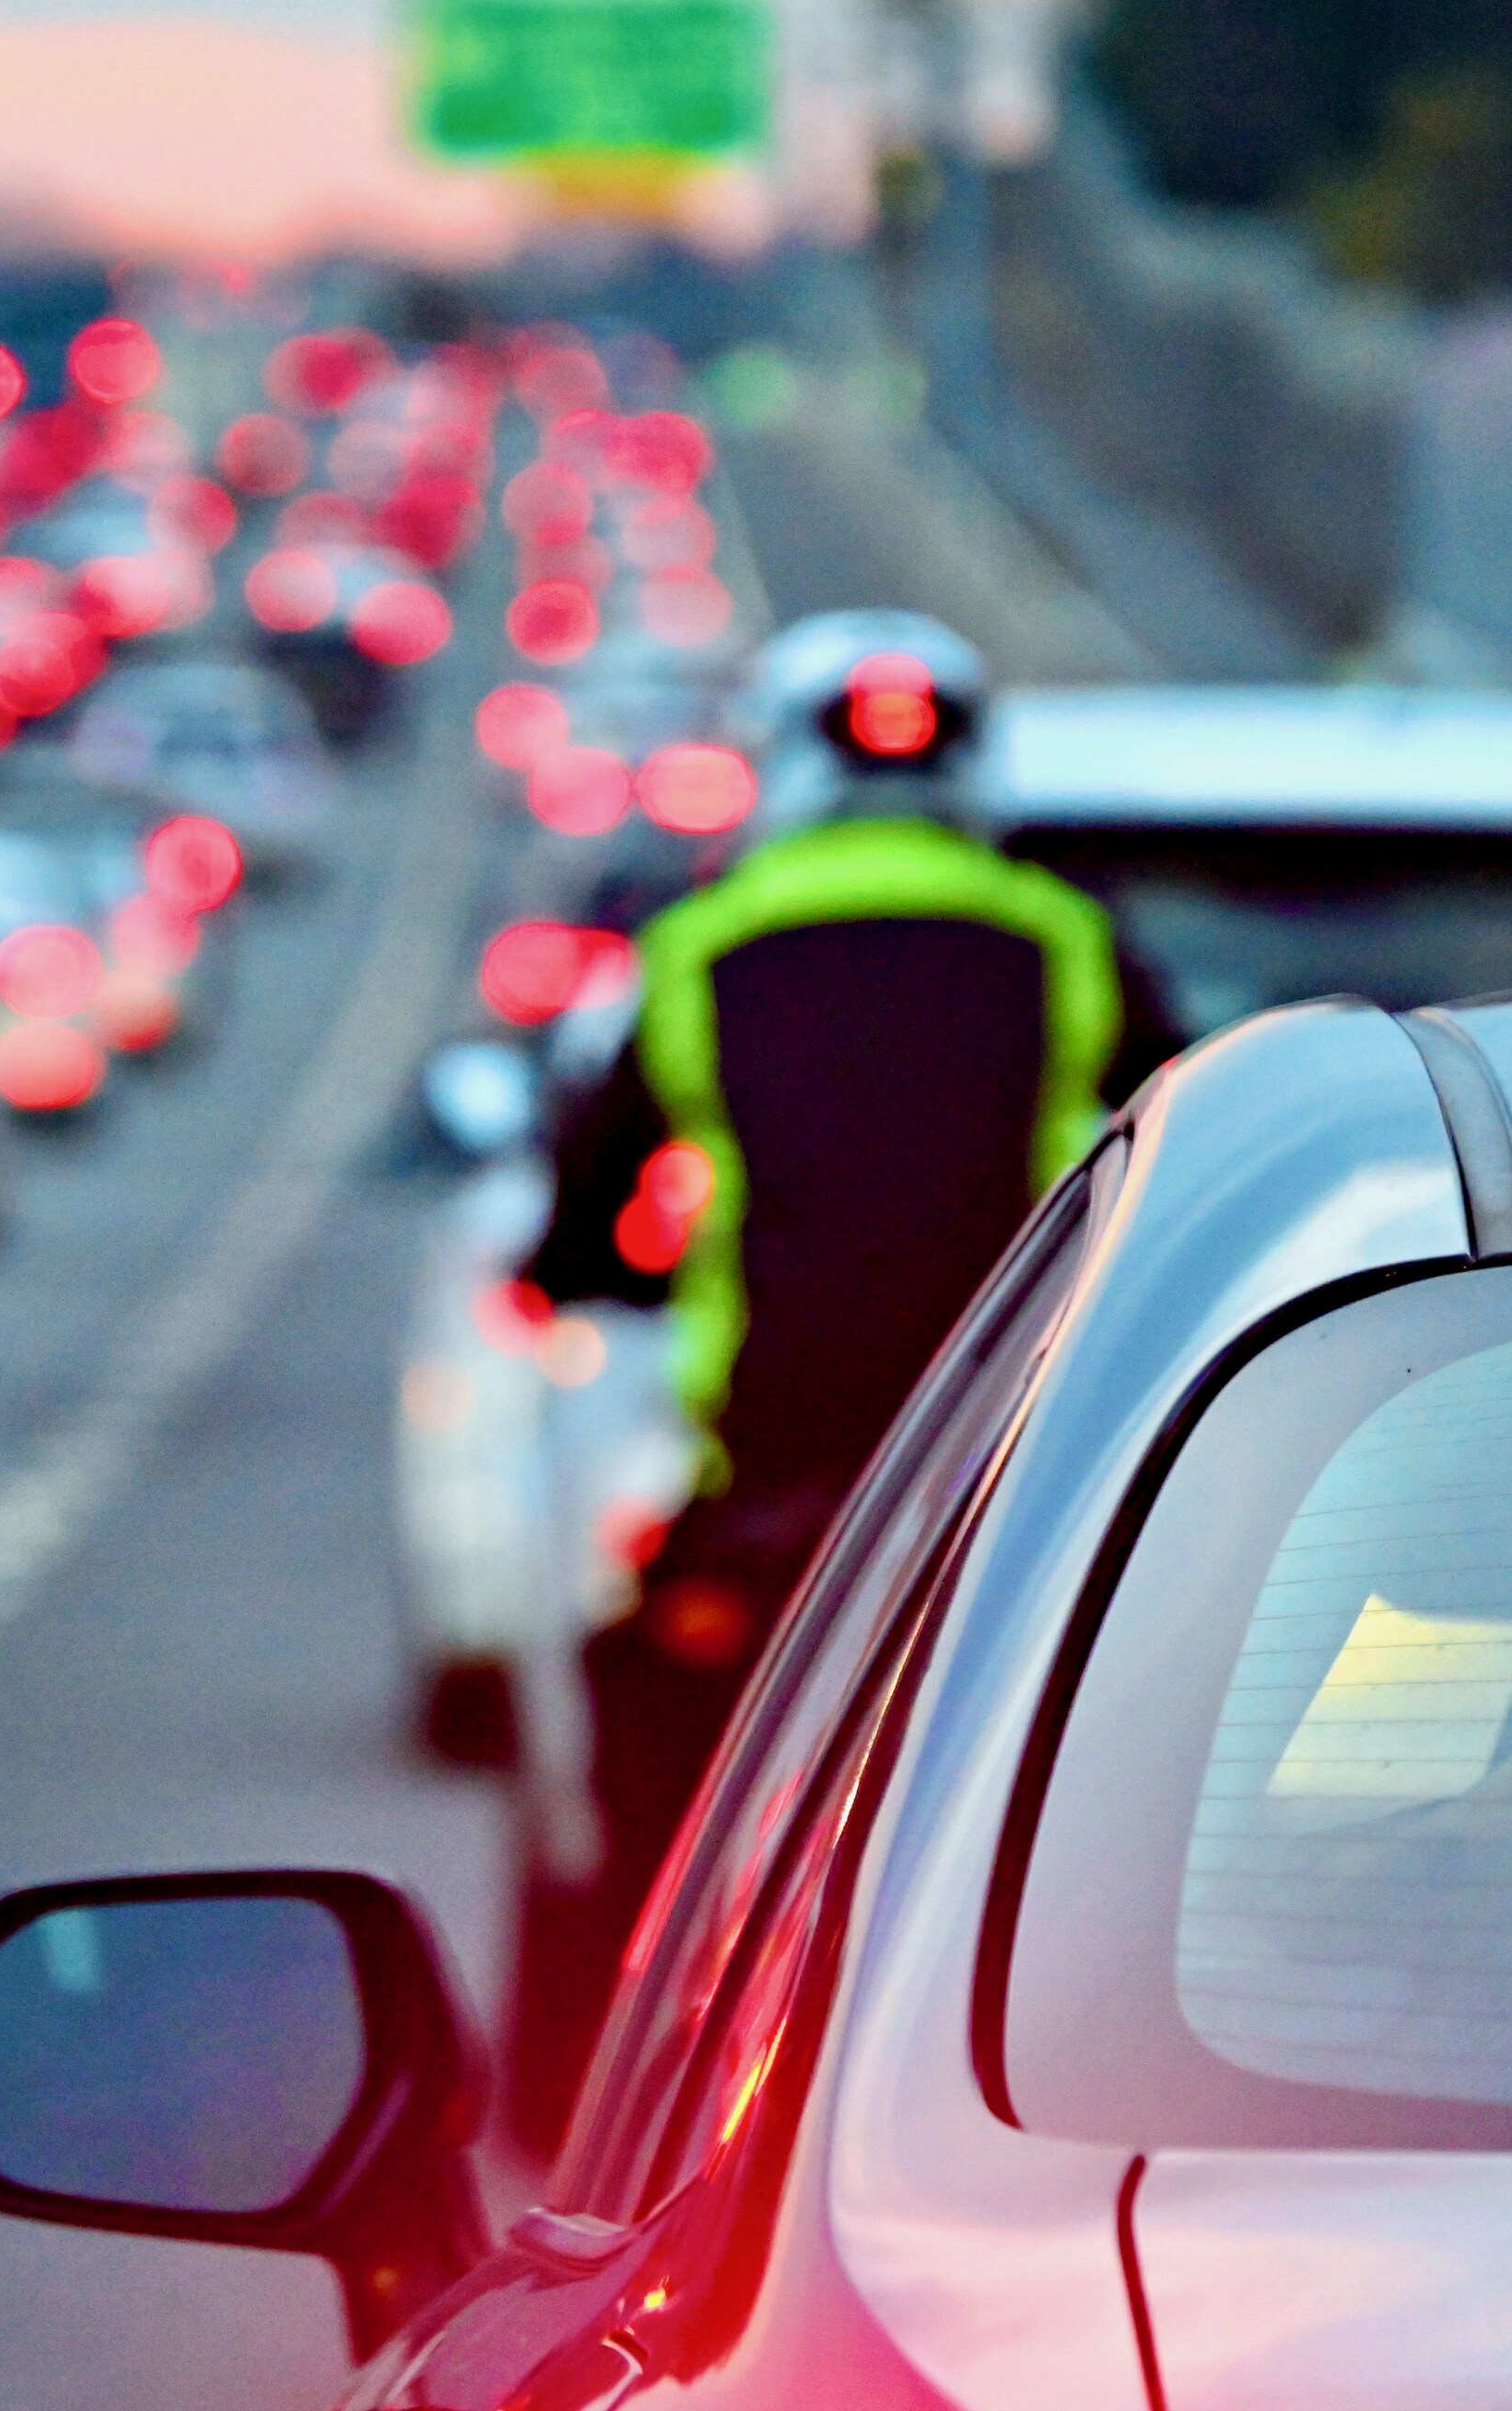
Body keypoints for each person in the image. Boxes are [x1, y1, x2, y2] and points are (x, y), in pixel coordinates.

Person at [504, 611, 1178, 2141]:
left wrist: (576, 1275)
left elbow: (584, 1207)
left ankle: (614, 2106)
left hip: (776, 1458)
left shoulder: (700, 945)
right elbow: (1185, 1131)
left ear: (777, 761)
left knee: (655, 1756)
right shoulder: (1062, 938)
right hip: (1005, 1459)